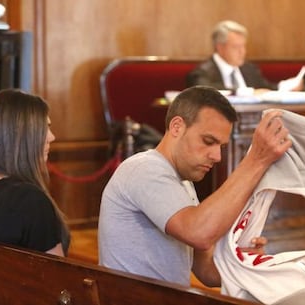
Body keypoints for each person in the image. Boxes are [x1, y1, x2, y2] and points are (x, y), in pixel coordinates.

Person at [98, 85, 291, 287]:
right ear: (177, 127)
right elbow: (199, 234)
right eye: (208, 141)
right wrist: (256, 160)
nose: (217, 156)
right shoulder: (144, 168)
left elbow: (205, 271)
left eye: (221, 147)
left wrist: (245, 264)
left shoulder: (183, 182)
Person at [0, 88, 70, 257]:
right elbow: (55, 278)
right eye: (44, 128)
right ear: (21, 137)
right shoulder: (30, 200)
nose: (52, 137)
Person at [186, 20, 303, 94]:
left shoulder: (249, 69)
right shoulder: (201, 72)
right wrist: (249, 92)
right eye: (236, 47)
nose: (242, 52)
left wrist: (285, 86)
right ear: (220, 47)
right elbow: (207, 92)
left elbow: (264, 89)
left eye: (243, 46)